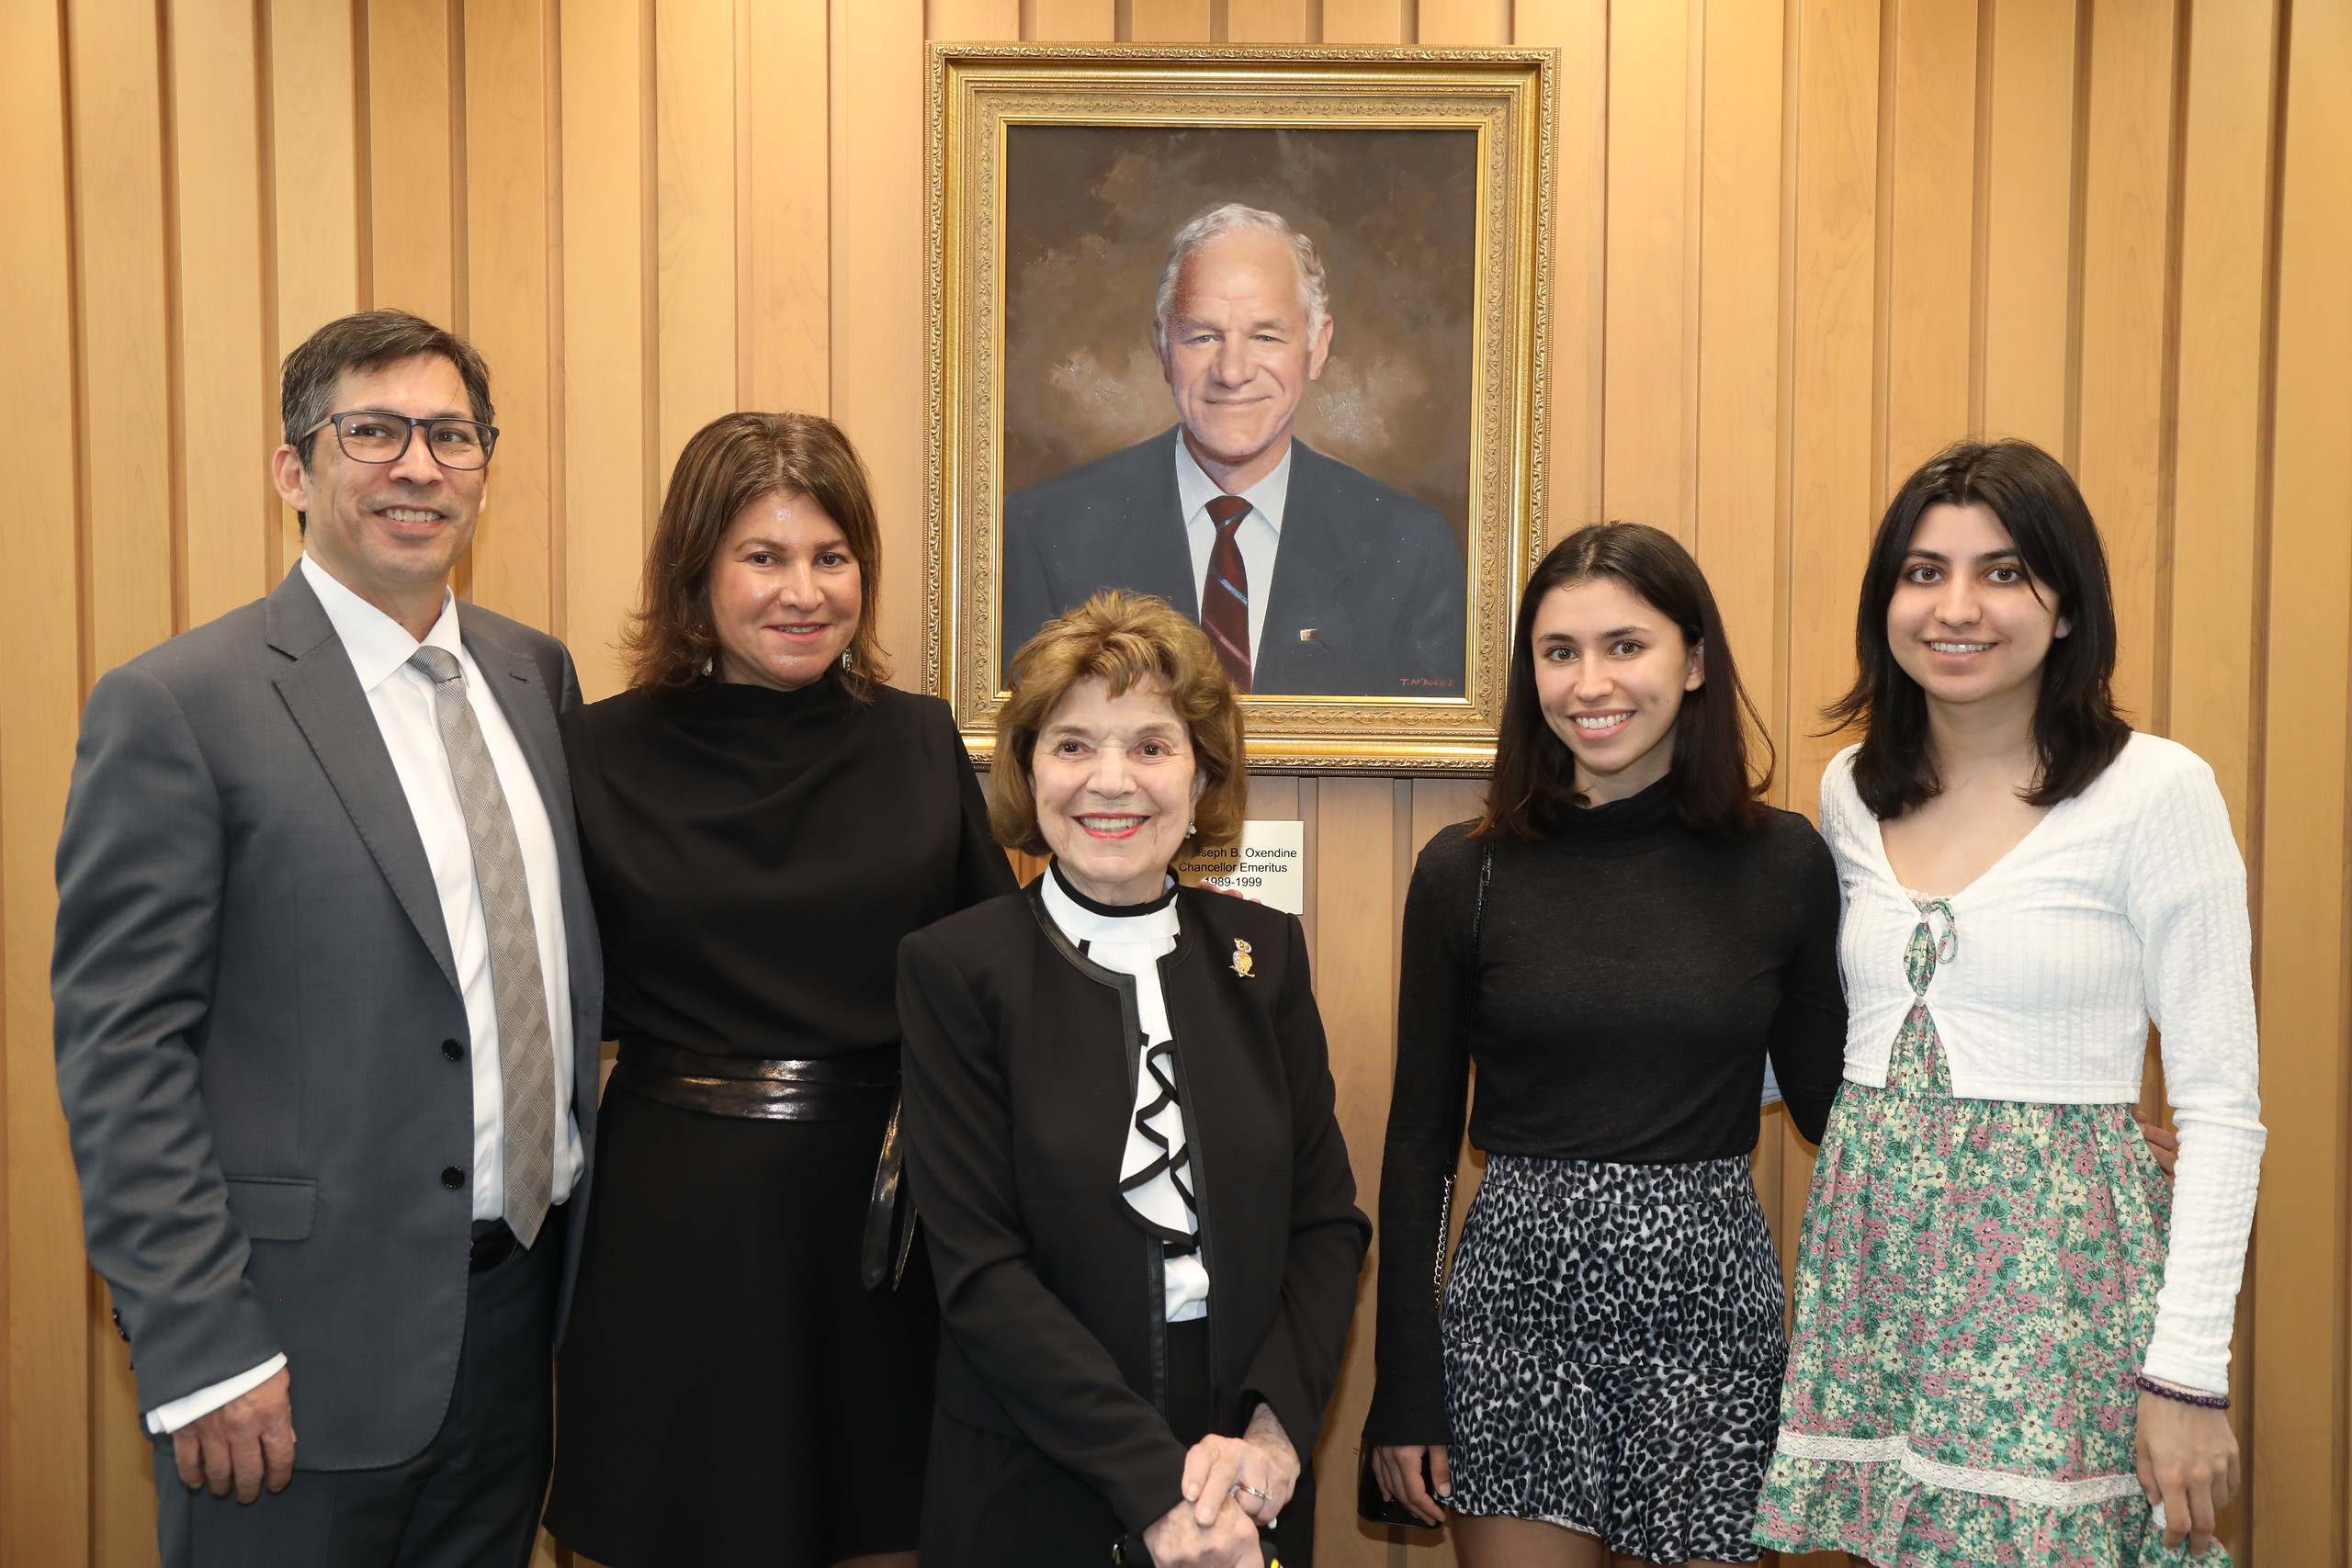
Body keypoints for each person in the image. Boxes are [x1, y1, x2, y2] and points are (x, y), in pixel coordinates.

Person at [52, 309, 602, 1566]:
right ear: (295, 469)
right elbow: (120, 1048)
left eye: (451, 435)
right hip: (286, 1356)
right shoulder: (179, 705)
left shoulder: (536, 677)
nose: (419, 466)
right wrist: (200, 1342)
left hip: (515, 1329)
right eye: (375, 431)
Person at [1754, 440, 2264, 1566]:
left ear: (2067, 605)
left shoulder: (2157, 793)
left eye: (2002, 571)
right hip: (1879, 1289)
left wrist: (2185, 1374)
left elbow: (2223, 1109)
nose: (1957, 607)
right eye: (1923, 572)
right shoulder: (1846, 795)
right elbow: (1809, 1028)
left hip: (2064, 1304)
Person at [542, 412, 1017, 1568]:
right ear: (694, 569)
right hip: (680, 1224)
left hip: (888, 1225)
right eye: (763, 557)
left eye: (830, 557)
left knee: (890, 1529)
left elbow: (996, 991)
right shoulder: (590, 753)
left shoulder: (917, 742)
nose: (802, 592)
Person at [1362, 524, 1849, 1566]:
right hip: (1512, 1319)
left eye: (1626, 645)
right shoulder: (1465, 872)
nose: (1591, 683)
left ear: (1695, 659)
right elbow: (1415, 1145)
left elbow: (1838, 1115)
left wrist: (2058, 1145)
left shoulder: (1783, 864)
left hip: (1712, 1316)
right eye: (1559, 651)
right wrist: (1405, 1383)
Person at [898, 590, 1371, 1566]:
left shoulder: (1265, 954)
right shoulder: (955, 968)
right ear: (1028, 771)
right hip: (1035, 1464)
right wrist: (1162, 1495)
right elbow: (981, 1274)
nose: (1110, 781)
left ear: (1201, 776)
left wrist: (1275, 1432)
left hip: (1243, 1463)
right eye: (1072, 745)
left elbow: (1325, 1224)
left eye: (1151, 747)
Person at [1000, 203, 1467, 698]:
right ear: (1163, 346)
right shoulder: (1044, 531)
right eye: (1203, 336)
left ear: (1318, 346)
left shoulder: (1410, 546)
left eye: (1265, 335)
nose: (1232, 371)